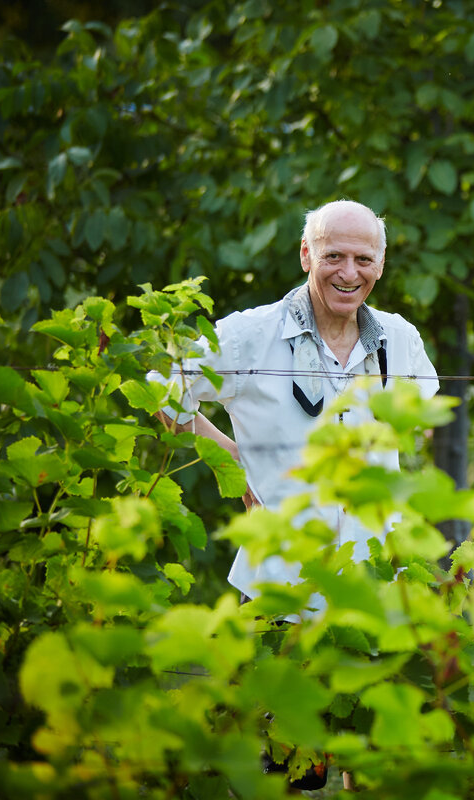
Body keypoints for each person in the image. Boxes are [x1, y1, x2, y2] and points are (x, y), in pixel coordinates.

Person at [153, 199, 439, 611]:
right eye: (334, 256)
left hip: (376, 589)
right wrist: (230, 456)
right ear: (306, 255)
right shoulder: (249, 335)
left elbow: (423, 417)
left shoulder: (399, 338)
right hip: (278, 586)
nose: (348, 273)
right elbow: (163, 384)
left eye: (363, 259)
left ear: (380, 264)